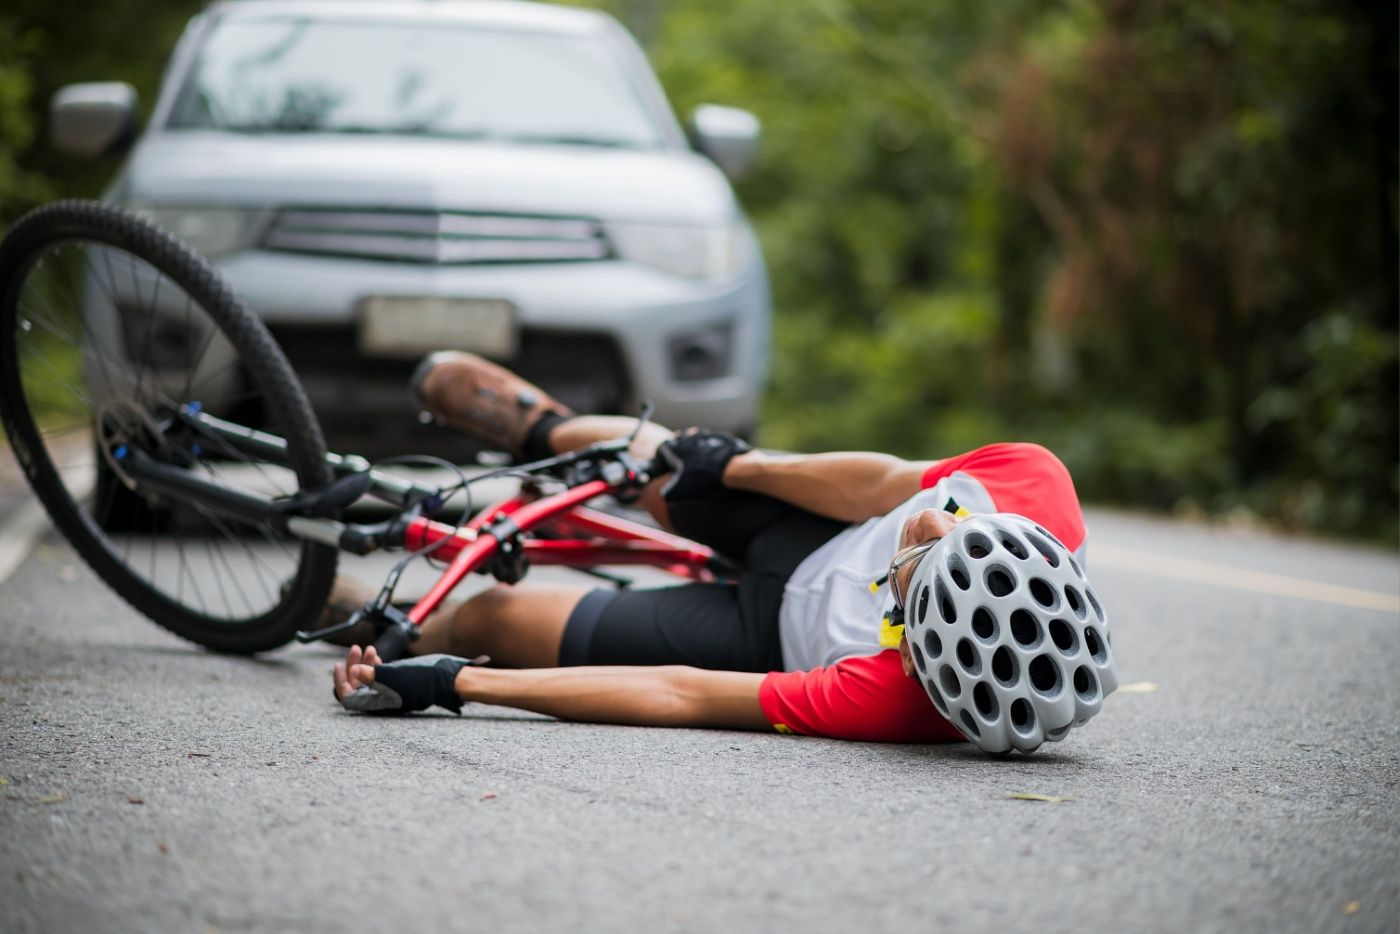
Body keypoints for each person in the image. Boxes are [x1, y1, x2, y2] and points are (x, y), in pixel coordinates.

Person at [329, 352, 1105, 748]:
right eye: (956, 531)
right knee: (660, 462)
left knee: (496, 619)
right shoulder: (1032, 480)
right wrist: (740, 466)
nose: (929, 523)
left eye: (921, 565)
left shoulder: (897, 700)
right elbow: (881, 486)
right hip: (815, 530)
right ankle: (539, 428)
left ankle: (379, 623)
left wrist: (458, 681)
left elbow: (684, 695)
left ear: (915, 654)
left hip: (759, 639)